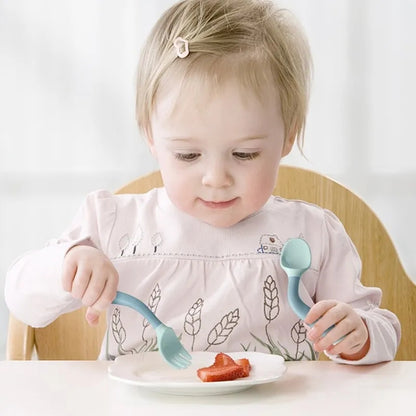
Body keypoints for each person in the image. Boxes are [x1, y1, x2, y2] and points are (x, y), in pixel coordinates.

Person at [5, 0, 400, 364]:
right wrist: (68, 265)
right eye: (188, 155)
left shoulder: (311, 235)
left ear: (288, 135)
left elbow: (383, 331)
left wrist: (359, 334)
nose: (216, 178)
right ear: (150, 136)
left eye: (244, 154)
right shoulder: (114, 223)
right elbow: (21, 298)